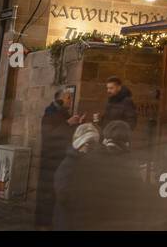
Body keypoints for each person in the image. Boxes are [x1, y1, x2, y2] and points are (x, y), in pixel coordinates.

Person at [53, 121, 148, 230]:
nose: (92, 147)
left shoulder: (91, 159)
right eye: (89, 143)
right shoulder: (75, 162)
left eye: (95, 143)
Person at [36, 88, 80, 228]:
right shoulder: (49, 115)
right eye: (68, 98)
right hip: (50, 160)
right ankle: (43, 224)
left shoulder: (63, 115)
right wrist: (68, 124)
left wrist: (77, 124)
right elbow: (51, 136)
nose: (70, 101)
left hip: (60, 159)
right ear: (60, 100)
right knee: (47, 194)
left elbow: (66, 135)